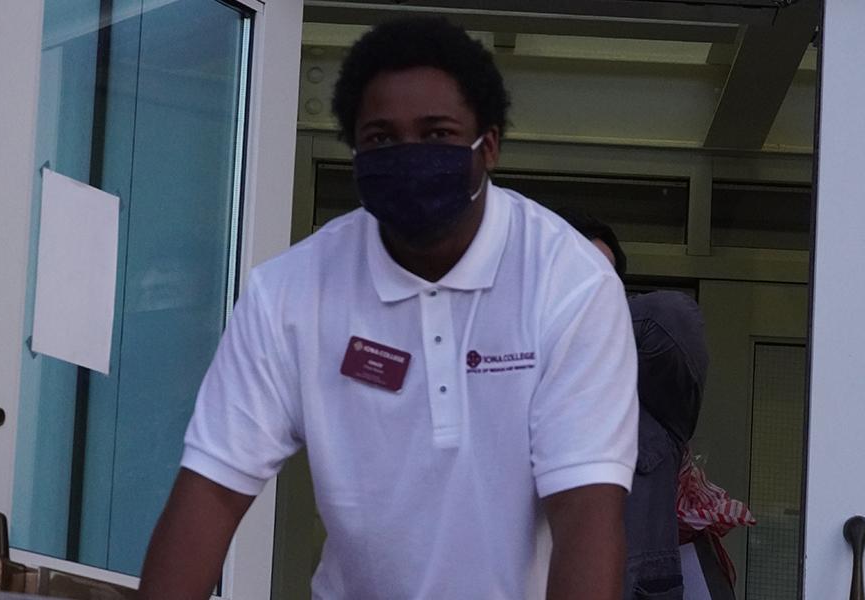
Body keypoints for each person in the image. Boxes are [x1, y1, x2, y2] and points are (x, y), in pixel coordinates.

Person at [138, 17, 638, 600]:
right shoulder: (290, 294)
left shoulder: (569, 283)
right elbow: (212, 492)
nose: (409, 156)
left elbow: (586, 515)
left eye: (437, 135)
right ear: (354, 154)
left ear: (490, 146)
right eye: (381, 138)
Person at [560, 211, 708, 599]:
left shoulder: (655, 399)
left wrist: (586, 313)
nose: (588, 289)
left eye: (602, 279)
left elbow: (673, 317)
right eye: (574, 272)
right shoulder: (516, 376)